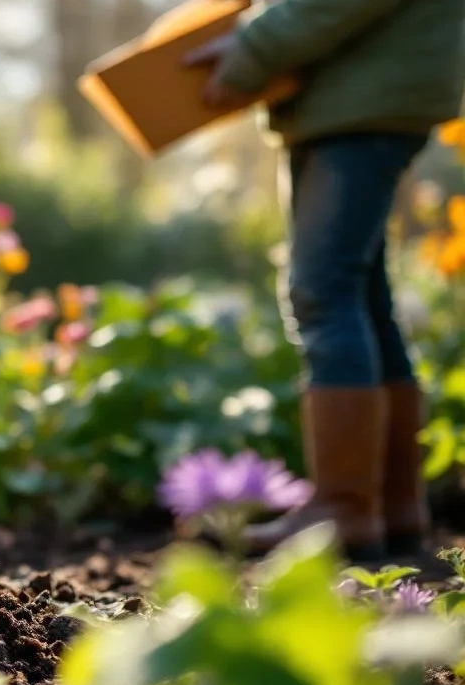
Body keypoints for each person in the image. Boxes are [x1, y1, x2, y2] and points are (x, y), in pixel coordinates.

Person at [186, 0, 465, 559]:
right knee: (361, 293)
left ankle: (344, 507)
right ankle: (391, 505)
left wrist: (253, 48)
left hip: (363, 98)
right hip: (356, 94)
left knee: (323, 289)